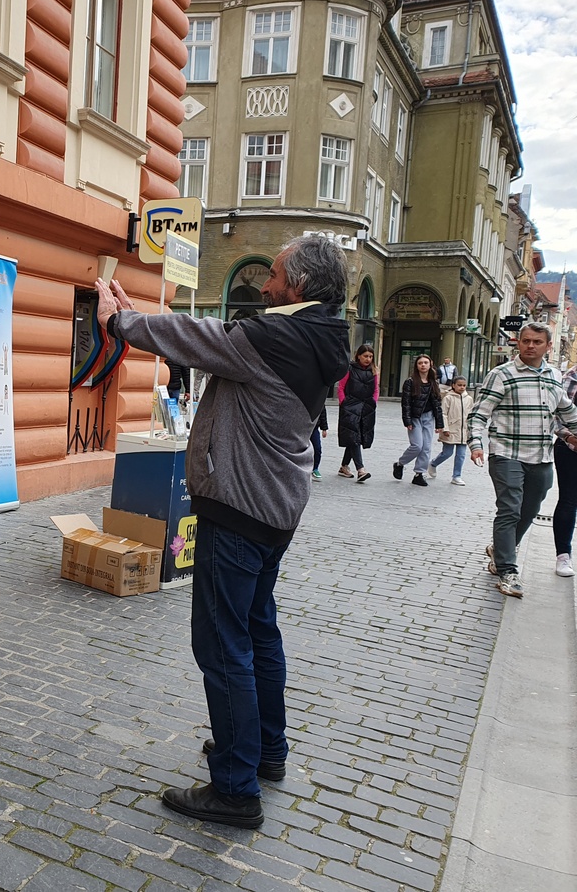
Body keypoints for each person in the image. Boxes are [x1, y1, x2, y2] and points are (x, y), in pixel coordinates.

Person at [95, 234, 349, 828]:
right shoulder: (320, 334)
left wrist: (118, 322)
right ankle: (265, 749)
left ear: (299, 285)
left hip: (240, 508)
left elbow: (194, 336)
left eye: (275, 274)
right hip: (276, 506)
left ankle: (235, 788)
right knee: (257, 630)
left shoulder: (275, 336)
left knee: (223, 644)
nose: (265, 284)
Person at [469, 322, 577, 598]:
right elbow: (479, 414)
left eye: (537, 342)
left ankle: (500, 549)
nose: (530, 346)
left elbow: (566, 412)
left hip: (541, 456)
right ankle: (507, 570)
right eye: (526, 340)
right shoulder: (501, 374)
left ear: (548, 346)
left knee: (530, 510)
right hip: (506, 453)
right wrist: (476, 444)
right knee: (509, 509)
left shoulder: (554, 375)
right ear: (518, 342)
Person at [394, 355, 443, 486]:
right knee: (417, 446)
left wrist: (439, 423)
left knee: (426, 447)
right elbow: (406, 403)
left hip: (429, 417)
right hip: (415, 417)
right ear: (416, 366)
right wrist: (407, 421)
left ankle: (419, 474)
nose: (423, 365)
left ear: (430, 364)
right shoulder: (410, 382)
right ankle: (400, 464)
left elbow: (437, 404)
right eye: (420, 363)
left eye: (426, 362)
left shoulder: (434, 382)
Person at [337, 343, 377, 483]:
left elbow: (376, 389)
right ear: (358, 356)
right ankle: (361, 469)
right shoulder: (350, 368)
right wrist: (344, 403)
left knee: (355, 436)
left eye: (370, 356)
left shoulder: (373, 371)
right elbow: (341, 387)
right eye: (365, 356)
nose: (368, 359)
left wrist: (373, 402)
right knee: (354, 436)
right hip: (350, 407)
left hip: (366, 407)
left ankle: (344, 466)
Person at [553, 362, 577, 577]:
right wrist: (569, 437)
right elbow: (555, 414)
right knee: (569, 500)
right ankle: (563, 555)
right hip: (571, 448)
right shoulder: (572, 377)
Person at [428, 376, 472, 485]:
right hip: (450, 430)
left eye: (464, 385)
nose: (462, 387)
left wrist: (471, 429)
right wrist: (445, 428)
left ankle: (457, 476)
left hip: (463, 431)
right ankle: (433, 464)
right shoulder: (448, 398)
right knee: (447, 453)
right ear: (453, 385)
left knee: (461, 455)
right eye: (459, 385)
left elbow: (471, 415)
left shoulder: (469, 399)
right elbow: (443, 414)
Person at [310, 406, 328, 480]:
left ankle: (315, 468)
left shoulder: (319, 400)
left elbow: (322, 412)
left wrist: (324, 428)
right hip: (302, 428)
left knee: (317, 448)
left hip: (314, 428)